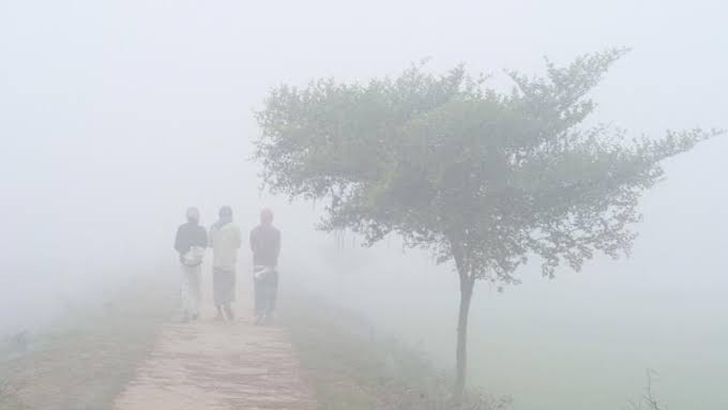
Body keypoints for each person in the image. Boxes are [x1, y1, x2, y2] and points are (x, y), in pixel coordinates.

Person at [174, 207, 208, 322]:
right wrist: (196, 252)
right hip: (197, 263)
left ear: (187, 217)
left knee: (185, 286)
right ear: (198, 217)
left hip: (184, 262)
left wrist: (186, 252)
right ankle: (195, 311)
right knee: (196, 286)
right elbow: (205, 244)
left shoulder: (181, 229)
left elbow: (176, 245)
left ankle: (186, 309)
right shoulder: (202, 230)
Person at [209, 206, 242, 321]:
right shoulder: (235, 227)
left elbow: (210, 244)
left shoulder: (213, 227)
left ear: (219, 215)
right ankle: (227, 305)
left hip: (217, 263)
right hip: (229, 263)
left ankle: (219, 313)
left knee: (217, 289)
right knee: (229, 287)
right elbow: (238, 244)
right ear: (230, 215)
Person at [250, 208, 281, 325]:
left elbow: (253, 248)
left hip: (261, 265)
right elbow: (277, 250)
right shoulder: (276, 232)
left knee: (262, 291)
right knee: (268, 291)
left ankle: (262, 314)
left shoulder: (254, 231)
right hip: (269, 265)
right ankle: (266, 314)